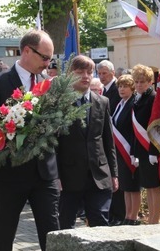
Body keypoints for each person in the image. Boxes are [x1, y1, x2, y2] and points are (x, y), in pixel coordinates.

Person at [0, 29, 59, 251]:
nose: (47, 63)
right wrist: (10, 131)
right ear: (26, 51)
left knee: (52, 234)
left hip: (45, 173)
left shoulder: (49, 85)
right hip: (11, 173)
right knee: (4, 234)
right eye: (44, 57)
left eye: (50, 59)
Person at [57, 55, 118, 229]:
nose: (85, 76)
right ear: (70, 74)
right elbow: (54, 144)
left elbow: (108, 140)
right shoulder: (60, 103)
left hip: (98, 176)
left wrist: (114, 174)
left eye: (89, 72)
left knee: (100, 223)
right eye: (80, 72)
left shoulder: (102, 102)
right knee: (65, 226)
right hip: (69, 178)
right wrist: (56, 177)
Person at [131, 64, 160, 224]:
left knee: (154, 186)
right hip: (142, 150)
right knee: (148, 186)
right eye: (136, 82)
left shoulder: (152, 98)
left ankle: (155, 220)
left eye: (142, 82)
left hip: (152, 149)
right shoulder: (139, 98)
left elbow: (155, 126)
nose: (138, 85)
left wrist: (153, 151)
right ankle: (151, 218)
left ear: (151, 82)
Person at [96, 59, 124, 224]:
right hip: (108, 141)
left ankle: (119, 214)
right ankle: (113, 214)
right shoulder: (104, 91)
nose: (101, 76)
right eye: (99, 73)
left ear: (113, 73)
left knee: (117, 180)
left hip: (118, 141)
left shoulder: (116, 89)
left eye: (104, 73)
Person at [111, 74, 141, 225]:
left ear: (132, 88)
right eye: (120, 86)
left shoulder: (133, 103)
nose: (122, 89)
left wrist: (134, 152)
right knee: (125, 185)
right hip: (120, 151)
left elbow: (134, 129)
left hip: (130, 149)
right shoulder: (120, 104)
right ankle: (127, 214)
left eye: (125, 86)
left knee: (133, 185)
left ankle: (134, 216)